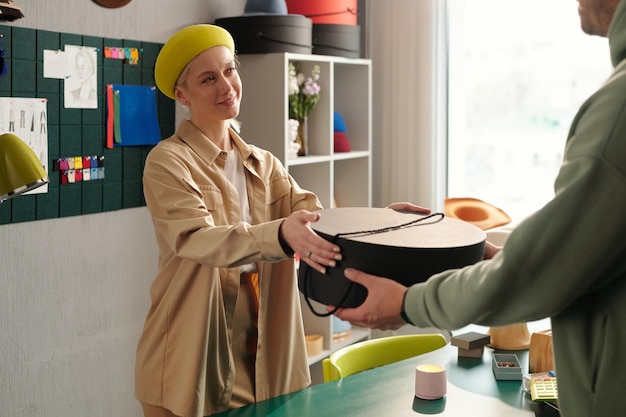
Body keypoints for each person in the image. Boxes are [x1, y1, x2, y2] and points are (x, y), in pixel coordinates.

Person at [331, 1, 626, 416]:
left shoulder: (618, 111)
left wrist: (408, 303)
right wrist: (490, 256)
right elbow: (587, 253)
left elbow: (537, 274)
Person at [134, 23, 426, 417]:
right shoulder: (168, 161)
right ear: (182, 95)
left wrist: (383, 221)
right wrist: (281, 233)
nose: (226, 86)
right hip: (192, 342)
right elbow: (197, 238)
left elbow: (318, 219)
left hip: (266, 329)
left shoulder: (263, 162)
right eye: (208, 79)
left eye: (229, 70)